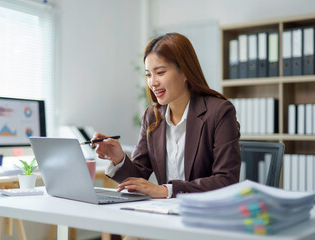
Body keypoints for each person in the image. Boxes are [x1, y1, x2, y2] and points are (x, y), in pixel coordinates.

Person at [92, 33, 241, 199]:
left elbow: (227, 180)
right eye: (148, 75)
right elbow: (139, 178)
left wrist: (167, 190)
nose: (152, 82)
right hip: (165, 214)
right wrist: (118, 158)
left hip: (205, 214)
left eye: (160, 72)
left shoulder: (219, 112)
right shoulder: (152, 117)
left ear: (185, 72)